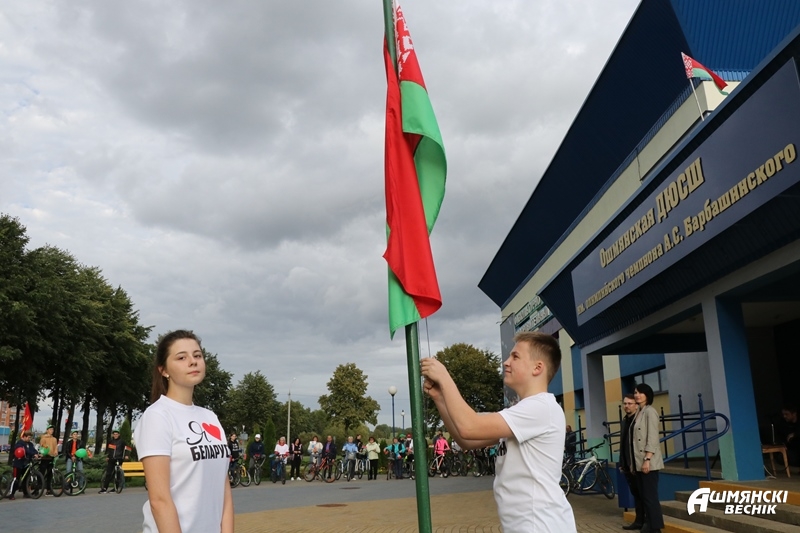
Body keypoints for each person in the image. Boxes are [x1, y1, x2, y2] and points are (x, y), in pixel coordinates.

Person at [421, 331, 576, 532]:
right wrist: (440, 398)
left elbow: (469, 426)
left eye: (515, 356)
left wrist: (444, 377)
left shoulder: (541, 407)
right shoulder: (523, 412)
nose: (506, 362)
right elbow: (466, 440)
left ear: (538, 368)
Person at [133, 329, 233, 533]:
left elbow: (224, 492)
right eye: (181, 357)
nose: (193, 362)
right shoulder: (158, 416)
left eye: (197, 355)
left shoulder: (210, 417)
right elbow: (159, 500)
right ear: (164, 370)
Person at [633, 383, 664, 533]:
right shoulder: (639, 411)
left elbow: (652, 437)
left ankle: (655, 528)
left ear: (648, 395)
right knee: (644, 496)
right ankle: (650, 525)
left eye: (640, 393)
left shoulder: (650, 412)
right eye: (635, 392)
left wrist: (647, 459)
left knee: (650, 497)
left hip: (648, 462)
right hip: (638, 462)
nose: (637, 395)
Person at [619, 394, 646, 530]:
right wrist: (622, 463)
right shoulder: (625, 421)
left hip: (639, 464)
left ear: (636, 405)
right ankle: (639, 521)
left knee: (643, 494)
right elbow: (623, 443)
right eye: (625, 403)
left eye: (630, 403)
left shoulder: (639, 421)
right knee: (636, 494)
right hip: (628, 465)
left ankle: (647, 522)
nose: (626, 406)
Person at [8, 430, 38, 500]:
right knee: (16, 479)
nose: (29, 439)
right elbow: (25, 451)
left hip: (26, 464)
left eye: (30, 437)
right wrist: (33, 454)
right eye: (28, 437)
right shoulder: (19, 443)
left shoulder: (30, 444)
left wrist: (37, 453)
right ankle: (11, 494)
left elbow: (33, 450)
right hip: (18, 463)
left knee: (26, 479)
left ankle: (26, 493)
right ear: (24, 437)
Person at [98, 429, 126, 494]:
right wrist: (108, 456)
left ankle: (116, 487)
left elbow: (126, 449)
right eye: (114, 434)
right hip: (111, 459)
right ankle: (105, 488)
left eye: (116, 434)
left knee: (118, 473)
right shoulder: (111, 441)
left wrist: (126, 455)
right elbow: (109, 450)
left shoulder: (122, 442)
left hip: (119, 459)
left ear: (119, 435)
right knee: (108, 473)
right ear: (113, 435)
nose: (115, 435)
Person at [38, 425, 58, 495]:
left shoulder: (54, 439)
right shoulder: (43, 438)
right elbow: (41, 445)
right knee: (41, 473)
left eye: (52, 429)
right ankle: (37, 488)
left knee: (50, 474)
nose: (52, 431)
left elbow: (55, 447)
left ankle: (49, 489)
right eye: (50, 429)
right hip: (45, 457)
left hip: (51, 457)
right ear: (47, 430)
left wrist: (56, 452)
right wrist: (45, 447)